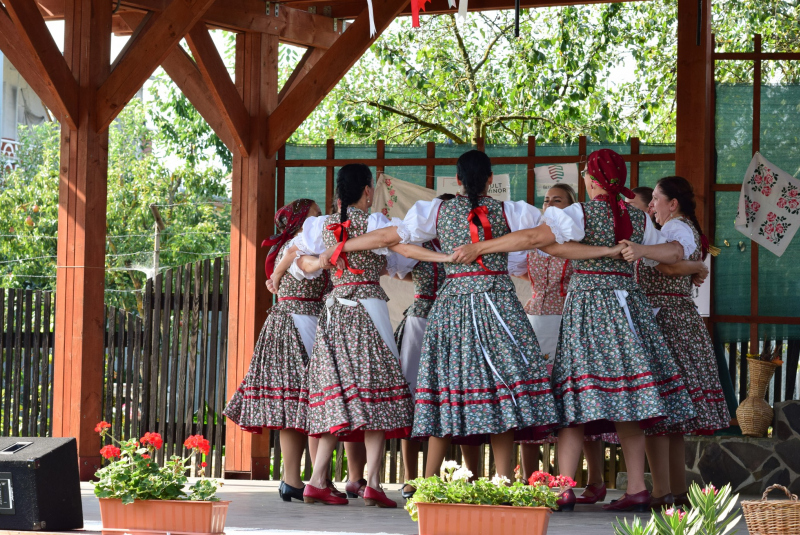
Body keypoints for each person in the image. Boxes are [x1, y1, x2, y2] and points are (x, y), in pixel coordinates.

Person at [318, 150, 620, 482]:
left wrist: (343, 247)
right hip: (498, 305)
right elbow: (542, 237)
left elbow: (396, 240)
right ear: (491, 179)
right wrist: (605, 250)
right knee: (501, 388)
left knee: (446, 387)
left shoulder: (438, 210)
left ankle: (425, 481)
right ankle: (504, 480)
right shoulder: (512, 210)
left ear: (458, 180)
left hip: (453, 306)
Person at [449, 149, 697, 512]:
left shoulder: (580, 212)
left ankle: (564, 488)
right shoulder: (637, 217)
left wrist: (482, 246)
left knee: (573, 395)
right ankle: (638, 489)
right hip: (628, 309)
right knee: (629, 399)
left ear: (592, 179)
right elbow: (676, 252)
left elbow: (537, 240)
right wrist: (633, 250)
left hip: (589, 309)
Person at [290, 163, 449, 508]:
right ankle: (372, 481)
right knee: (377, 390)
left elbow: (298, 260)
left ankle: (318, 479)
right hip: (368, 309)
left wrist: (326, 258)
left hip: (333, 311)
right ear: (367, 191)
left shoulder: (320, 226)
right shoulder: (376, 221)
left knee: (339, 393)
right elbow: (397, 244)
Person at [621, 176, 729, 509]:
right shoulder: (677, 229)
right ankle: (675, 490)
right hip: (674, 318)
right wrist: (697, 265)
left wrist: (693, 265)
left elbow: (668, 269)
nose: (651, 204)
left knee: (660, 410)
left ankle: (662, 492)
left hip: (668, 320)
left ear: (673, 204)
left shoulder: (675, 230)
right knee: (672, 417)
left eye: (655, 198)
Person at [224, 199, 335, 503]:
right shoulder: (300, 249)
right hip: (301, 323)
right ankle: (315, 480)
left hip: (285, 323)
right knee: (309, 402)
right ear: (301, 219)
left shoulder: (284, 249)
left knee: (291, 405)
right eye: (314, 215)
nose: (319, 219)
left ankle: (294, 480)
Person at [515, 183, 608, 504]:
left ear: (569, 206)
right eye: (546, 199)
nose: (550, 203)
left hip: (569, 320)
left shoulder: (576, 240)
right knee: (536, 399)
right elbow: (525, 274)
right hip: (535, 320)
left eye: (558, 200)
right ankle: (531, 481)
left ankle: (595, 479)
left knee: (576, 402)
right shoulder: (532, 242)